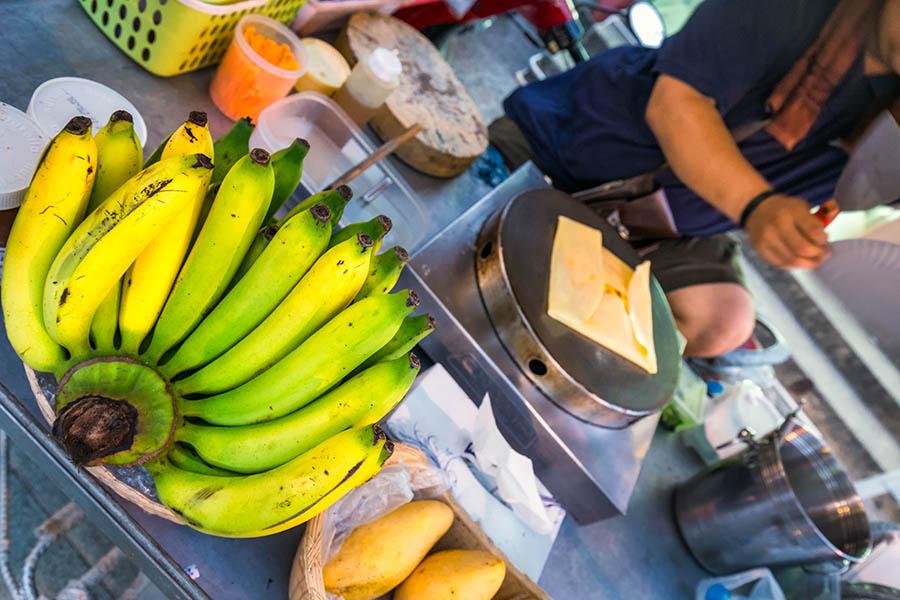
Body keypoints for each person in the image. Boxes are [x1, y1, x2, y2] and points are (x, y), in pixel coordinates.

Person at [491, 0, 900, 357]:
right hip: (569, 151)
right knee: (476, 232)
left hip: (666, 221)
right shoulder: (797, 7)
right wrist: (757, 206)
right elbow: (675, 105)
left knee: (723, 320)